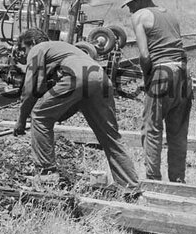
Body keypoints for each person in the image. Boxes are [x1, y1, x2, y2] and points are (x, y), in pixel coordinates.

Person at [13, 27, 141, 198]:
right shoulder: (63, 48)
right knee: (110, 136)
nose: (24, 54)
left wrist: (21, 120)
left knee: (40, 114)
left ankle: (46, 175)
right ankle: (130, 187)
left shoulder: (38, 49)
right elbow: (67, 103)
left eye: (24, 48)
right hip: (100, 79)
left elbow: (30, 89)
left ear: (33, 43)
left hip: (79, 77)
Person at [123, 0, 193, 183]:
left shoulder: (139, 16)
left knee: (152, 128)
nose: (129, 9)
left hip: (162, 72)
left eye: (130, 4)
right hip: (183, 72)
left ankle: (153, 180)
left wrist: (147, 77)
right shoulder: (170, 14)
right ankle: (178, 180)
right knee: (178, 130)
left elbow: (144, 55)